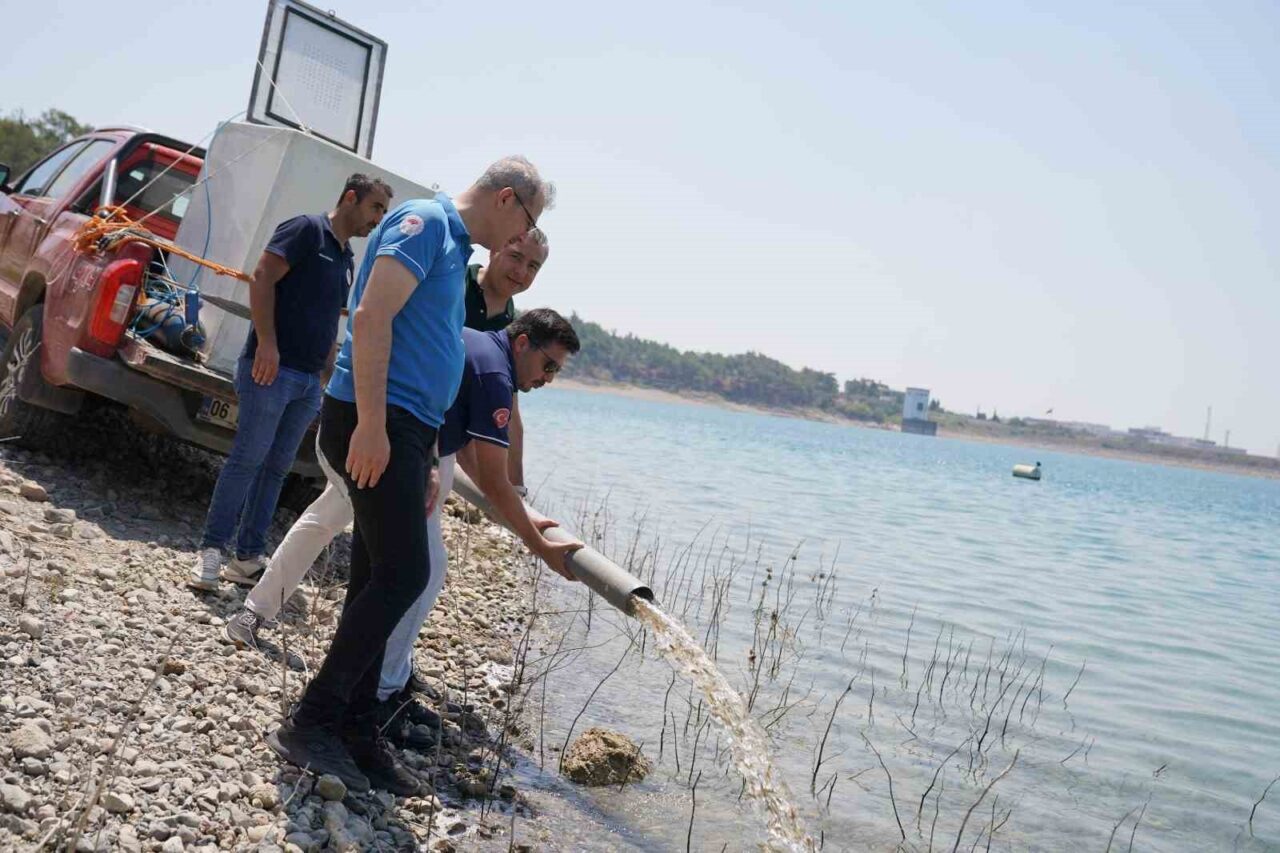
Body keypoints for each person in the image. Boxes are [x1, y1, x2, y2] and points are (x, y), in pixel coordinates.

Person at [266, 158, 579, 797]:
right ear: (507, 199)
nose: (522, 237)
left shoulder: (453, 241)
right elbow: (372, 318)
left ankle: (354, 726)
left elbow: (425, 342)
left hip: (411, 429)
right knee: (406, 574)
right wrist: (375, 428)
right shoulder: (424, 223)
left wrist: (427, 449)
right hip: (376, 417)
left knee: (377, 575)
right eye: (527, 219)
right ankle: (313, 720)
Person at [229, 310, 580, 752]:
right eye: (549, 365)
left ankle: (272, 623)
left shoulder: (481, 347)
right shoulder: (496, 373)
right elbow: (491, 477)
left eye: (557, 373)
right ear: (524, 343)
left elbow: (471, 451)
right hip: (385, 449)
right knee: (419, 570)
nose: (549, 378)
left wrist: (523, 517)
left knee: (340, 528)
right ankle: (378, 689)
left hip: (381, 439)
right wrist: (540, 547)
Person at [224, 228, 551, 639]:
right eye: (516, 256)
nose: (521, 271)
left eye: (533, 266)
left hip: (437, 446)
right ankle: (263, 615)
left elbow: (508, 410)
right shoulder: (450, 278)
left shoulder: (512, 325)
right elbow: (383, 326)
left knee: (388, 552)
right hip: (388, 422)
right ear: (498, 246)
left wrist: (515, 489)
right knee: (343, 517)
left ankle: (366, 654)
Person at [187, 175, 392, 591]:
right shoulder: (305, 230)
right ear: (350, 197)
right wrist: (266, 344)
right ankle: (210, 552)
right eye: (375, 208)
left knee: (277, 469)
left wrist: (330, 376)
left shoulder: (346, 256)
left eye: (383, 212)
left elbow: (328, 320)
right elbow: (263, 278)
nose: (378, 219)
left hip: (308, 382)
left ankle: (246, 558)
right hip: (271, 371)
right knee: (247, 459)